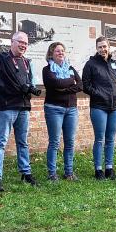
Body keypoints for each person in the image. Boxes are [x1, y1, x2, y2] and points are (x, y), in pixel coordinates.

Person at [0, 31, 41, 192]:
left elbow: (30, 83)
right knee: (1, 142)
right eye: (20, 42)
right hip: (5, 107)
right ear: (12, 42)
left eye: (26, 43)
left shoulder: (26, 62)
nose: (23, 45)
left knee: (23, 142)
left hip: (23, 107)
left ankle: (26, 173)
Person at [82, 36, 116, 180]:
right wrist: (99, 94)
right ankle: (98, 170)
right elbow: (86, 85)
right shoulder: (91, 64)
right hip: (99, 106)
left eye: (104, 46)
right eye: (99, 47)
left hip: (115, 107)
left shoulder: (114, 64)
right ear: (96, 48)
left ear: (109, 47)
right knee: (100, 139)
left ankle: (109, 168)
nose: (102, 49)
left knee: (111, 139)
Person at [42, 42, 82, 181]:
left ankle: (69, 172)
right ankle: (52, 174)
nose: (60, 53)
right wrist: (71, 82)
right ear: (51, 54)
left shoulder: (70, 68)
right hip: (54, 108)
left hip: (71, 109)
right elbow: (55, 84)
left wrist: (65, 89)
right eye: (57, 51)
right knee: (54, 142)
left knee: (70, 142)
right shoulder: (47, 70)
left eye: (62, 51)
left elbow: (81, 85)